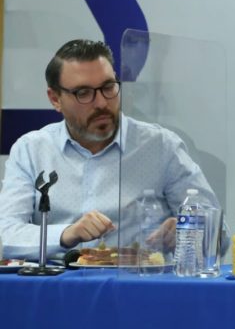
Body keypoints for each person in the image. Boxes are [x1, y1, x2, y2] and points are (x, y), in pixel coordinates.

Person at [0, 39, 222, 260]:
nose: (101, 103)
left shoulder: (161, 147)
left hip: (136, 280)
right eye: (83, 93)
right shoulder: (31, 150)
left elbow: (220, 235)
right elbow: (5, 234)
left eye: (108, 87)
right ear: (55, 99)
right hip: (57, 280)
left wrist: (189, 231)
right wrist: (66, 234)